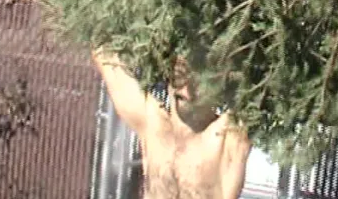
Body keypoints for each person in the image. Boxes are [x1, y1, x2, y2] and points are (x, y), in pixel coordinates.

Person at [92, 48, 252, 199]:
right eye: (179, 76)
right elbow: (104, 54)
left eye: (197, 80)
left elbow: (266, 79)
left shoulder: (227, 138)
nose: (186, 87)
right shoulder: (153, 123)